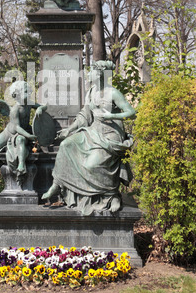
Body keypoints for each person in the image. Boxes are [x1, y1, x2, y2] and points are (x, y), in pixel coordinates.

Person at [42, 61, 136, 215]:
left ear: (99, 73)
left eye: (91, 71)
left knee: (92, 165)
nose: (88, 74)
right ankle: (57, 183)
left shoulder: (113, 93)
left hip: (110, 134)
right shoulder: (91, 92)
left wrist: (111, 115)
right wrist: (69, 130)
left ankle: (111, 195)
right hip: (93, 131)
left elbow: (131, 112)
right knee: (66, 145)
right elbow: (84, 115)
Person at [0, 81, 47, 182]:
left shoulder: (29, 103)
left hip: (23, 131)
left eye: (29, 91)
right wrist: (29, 136)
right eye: (26, 91)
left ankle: (21, 165)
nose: (29, 93)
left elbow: (44, 106)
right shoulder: (15, 109)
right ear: (17, 95)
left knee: (21, 141)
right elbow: (16, 127)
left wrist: (40, 109)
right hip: (10, 132)